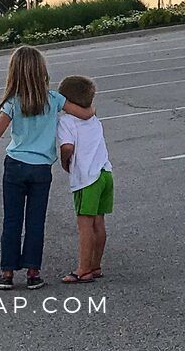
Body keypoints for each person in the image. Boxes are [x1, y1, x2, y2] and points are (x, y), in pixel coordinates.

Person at [0, 45, 94, 290]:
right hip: (41, 169)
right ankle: (33, 272)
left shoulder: (13, 102)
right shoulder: (54, 99)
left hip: (15, 166)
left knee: (12, 219)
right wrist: (93, 109)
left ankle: (7, 272)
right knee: (36, 221)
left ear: (14, 73)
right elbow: (84, 114)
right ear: (41, 71)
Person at [56, 75, 113, 284]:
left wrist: (65, 161)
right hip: (105, 173)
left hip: (86, 178)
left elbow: (68, 146)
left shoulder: (66, 121)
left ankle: (83, 269)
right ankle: (96, 265)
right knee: (99, 222)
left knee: (85, 225)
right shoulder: (93, 117)